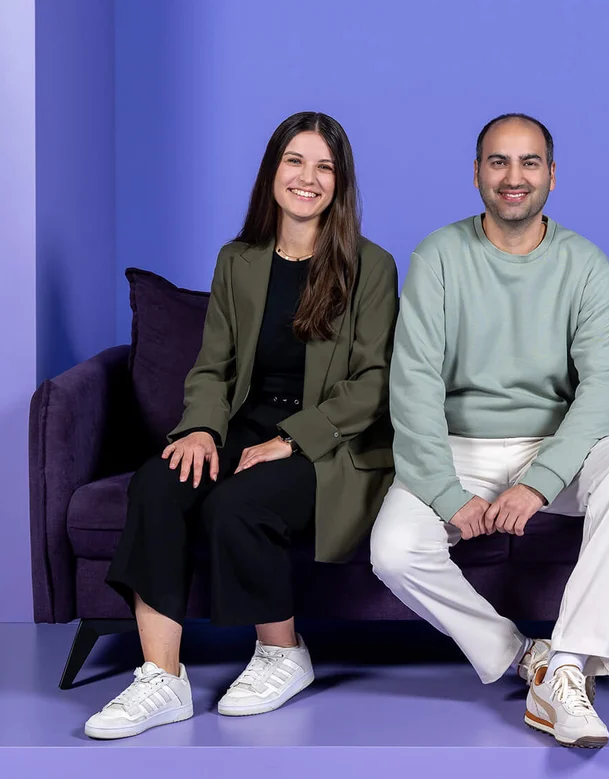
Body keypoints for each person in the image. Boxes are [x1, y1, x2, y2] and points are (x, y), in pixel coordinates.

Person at [84, 112, 398, 739]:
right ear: (272, 170)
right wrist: (199, 429)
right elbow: (212, 367)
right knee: (157, 483)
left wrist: (292, 440)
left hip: (329, 445)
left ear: (340, 182)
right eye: (294, 161)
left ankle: (284, 654)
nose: (307, 178)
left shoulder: (372, 266)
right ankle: (161, 678)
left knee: (237, 504)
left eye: (324, 167)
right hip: (242, 427)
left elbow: (373, 384)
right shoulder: (240, 260)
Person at [369, 113, 609, 748]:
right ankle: (526, 656)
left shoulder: (584, 263)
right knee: (391, 549)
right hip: (456, 449)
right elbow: (412, 381)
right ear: (476, 173)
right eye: (498, 162)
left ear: (552, 176)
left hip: (552, 451)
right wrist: (447, 493)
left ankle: (571, 664)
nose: (513, 177)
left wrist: (539, 482)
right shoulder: (438, 255)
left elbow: (603, 388)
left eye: (529, 163)